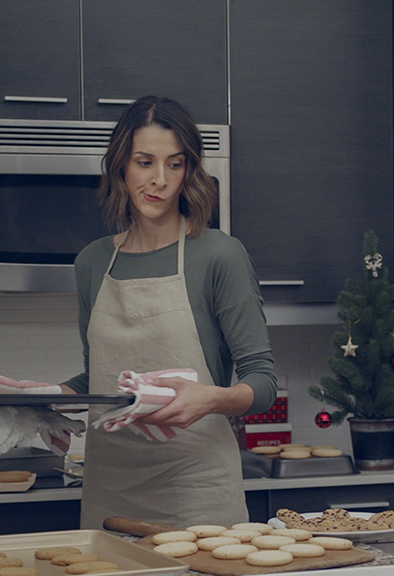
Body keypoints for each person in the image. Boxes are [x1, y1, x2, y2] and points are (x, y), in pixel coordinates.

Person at [61, 95, 277, 529]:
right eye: (144, 162)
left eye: (174, 164)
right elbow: (101, 376)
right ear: (120, 164)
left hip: (198, 494)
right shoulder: (91, 263)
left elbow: (262, 381)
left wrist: (213, 398)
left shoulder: (220, 255)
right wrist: (37, 399)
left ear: (189, 171)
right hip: (110, 493)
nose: (159, 180)